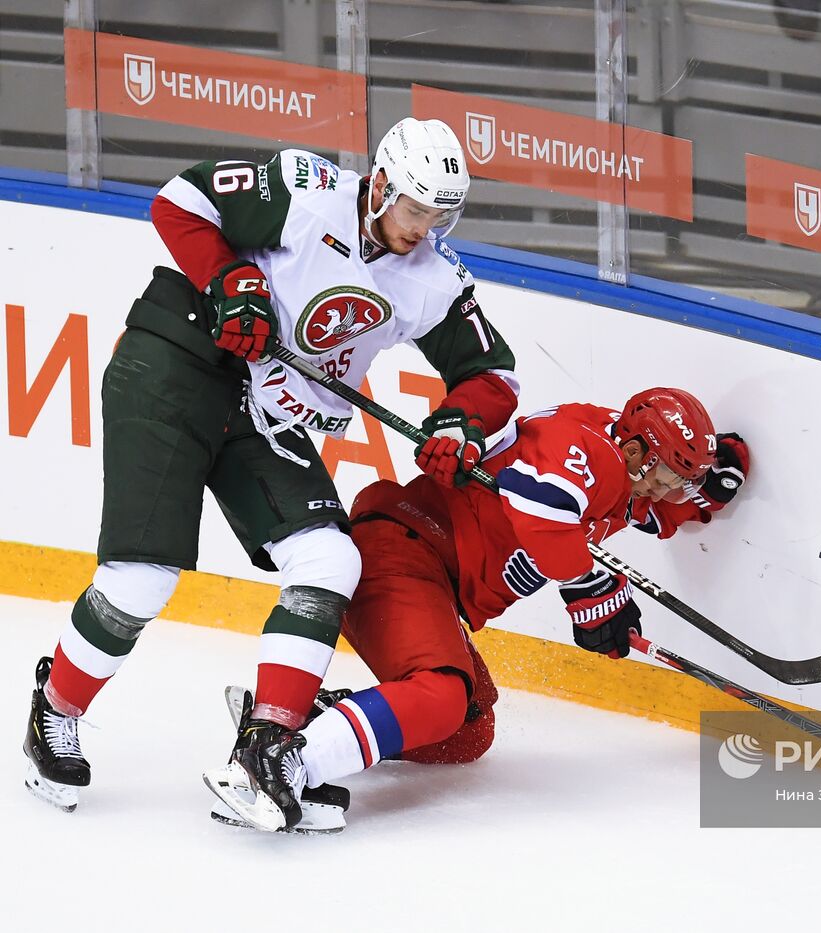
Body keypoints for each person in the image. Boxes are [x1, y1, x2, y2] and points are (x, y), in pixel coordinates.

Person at [22, 118, 521, 817]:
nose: (424, 226)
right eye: (414, 208)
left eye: (440, 215)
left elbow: (492, 372)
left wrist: (461, 420)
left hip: (263, 413)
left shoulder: (429, 279)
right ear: (379, 185)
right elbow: (181, 200)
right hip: (176, 365)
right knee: (140, 580)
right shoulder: (306, 191)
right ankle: (55, 707)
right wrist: (232, 281)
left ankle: (268, 749)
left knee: (329, 560)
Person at [205, 387, 750, 832]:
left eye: (680, 482)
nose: (668, 491)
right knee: (442, 695)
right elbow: (543, 515)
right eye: (668, 477)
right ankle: (280, 761)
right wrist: (590, 590)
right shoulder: (589, 454)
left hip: (428, 577)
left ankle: (318, 720)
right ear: (635, 453)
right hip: (401, 552)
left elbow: (639, 511)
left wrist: (708, 486)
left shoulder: (626, 469)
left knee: (468, 730)